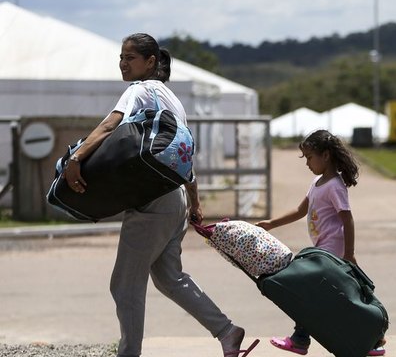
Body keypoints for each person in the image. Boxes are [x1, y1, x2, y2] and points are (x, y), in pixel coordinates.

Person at [62, 33, 259, 357]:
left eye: (130, 58)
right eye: (121, 57)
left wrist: (75, 158)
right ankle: (227, 332)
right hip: (174, 199)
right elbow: (181, 154)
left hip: (152, 202)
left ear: (151, 62)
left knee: (124, 285)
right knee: (169, 278)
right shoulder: (171, 99)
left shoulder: (138, 91)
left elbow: (110, 126)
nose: (123, 64)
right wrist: (194, 201)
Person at [256, 129, 385, 356]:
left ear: (325, 155)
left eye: (309, 157)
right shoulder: (317, 182)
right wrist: (271, 223)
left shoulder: (335, 185)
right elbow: (300, 210)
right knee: (334, 299)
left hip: (332, 253)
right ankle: (372, 341)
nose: (307, 163)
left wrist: (350, 253)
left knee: (310, 293)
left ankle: (300, 339)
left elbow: (348, 218)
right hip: (321, 251)